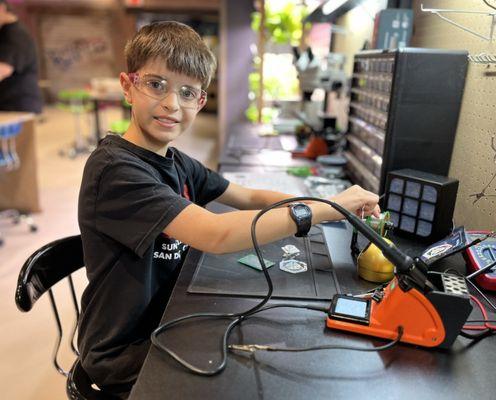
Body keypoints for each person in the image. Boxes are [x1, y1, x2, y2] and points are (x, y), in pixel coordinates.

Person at [77, 21, 380, 398]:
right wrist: (323, 210)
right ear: (128, 85)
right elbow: (216, 234)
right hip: (124, 348)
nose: (172, 104)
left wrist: (321, 202)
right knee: (251, 380)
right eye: (157, 85)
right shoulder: (116, 171)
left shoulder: (175, 161)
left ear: (200, 101)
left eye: (187, 92)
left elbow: (248, 197)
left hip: (170, 313)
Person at [0, 1, 42, 113]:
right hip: (9, 104)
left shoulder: (14, 35)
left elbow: (3, 69)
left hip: (18, 106)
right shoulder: (5, 32)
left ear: (1, 8)